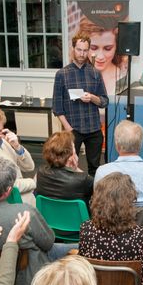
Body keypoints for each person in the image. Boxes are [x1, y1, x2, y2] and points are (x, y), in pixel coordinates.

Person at [53, 31, 109, 176]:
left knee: (94, 168)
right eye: (79, 50)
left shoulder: (95, 73)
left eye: (85, 50)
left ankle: (93, 197)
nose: (82, 54)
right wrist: (69, 129)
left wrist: (92, 97)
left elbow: (104, 101)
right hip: (73, 130)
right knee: (68, 167)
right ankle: (70, 196)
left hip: (94, 129)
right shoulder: (62, 74)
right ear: (73, 49)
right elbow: (57, 108)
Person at [95, 120, 143, 215]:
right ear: (140, 145)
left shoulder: (102, 172)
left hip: (114, 228)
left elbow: (99, 202)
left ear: (117, 145)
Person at [35, 130, 94, 205]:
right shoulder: (83, 179)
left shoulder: (40, 172)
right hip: (77, 217)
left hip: (48, 216)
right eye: (73, 147)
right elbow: (96, 189)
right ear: (69, 155)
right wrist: (76, 169)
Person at [78, 17, 127, 96]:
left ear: (116, 47)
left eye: (107, 49)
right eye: (93, 48)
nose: (100, 56)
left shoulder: (122, 79)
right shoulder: (76, 75)